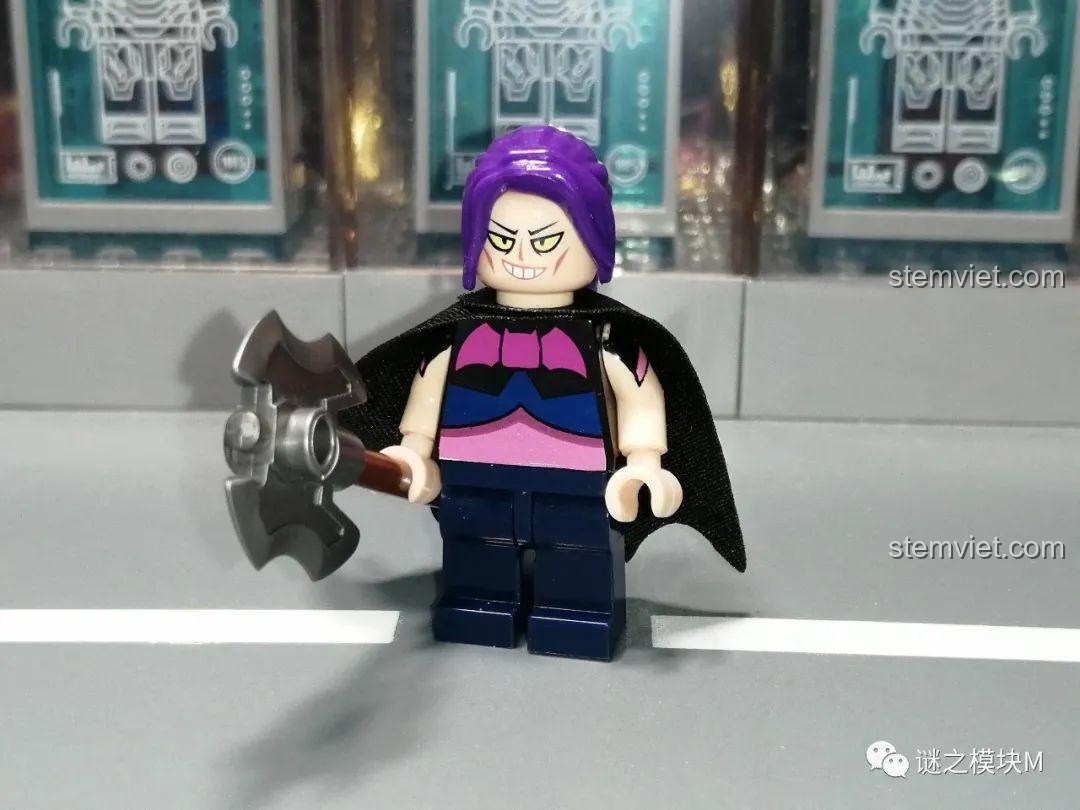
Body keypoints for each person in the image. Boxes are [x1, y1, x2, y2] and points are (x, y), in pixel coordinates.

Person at [341, 125, 743, 661]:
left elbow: (640, 398)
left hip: (576, 474)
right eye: (502, 239)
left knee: (576, 550)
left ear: (594, 238)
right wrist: (413, 451)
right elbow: (427, 393)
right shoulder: (457, 336)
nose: (522, 256)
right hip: (473, 472)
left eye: (547, 240)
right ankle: (480, 604)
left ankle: (576, 613)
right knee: (475, 546)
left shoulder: (608, 338)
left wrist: (644, 462)